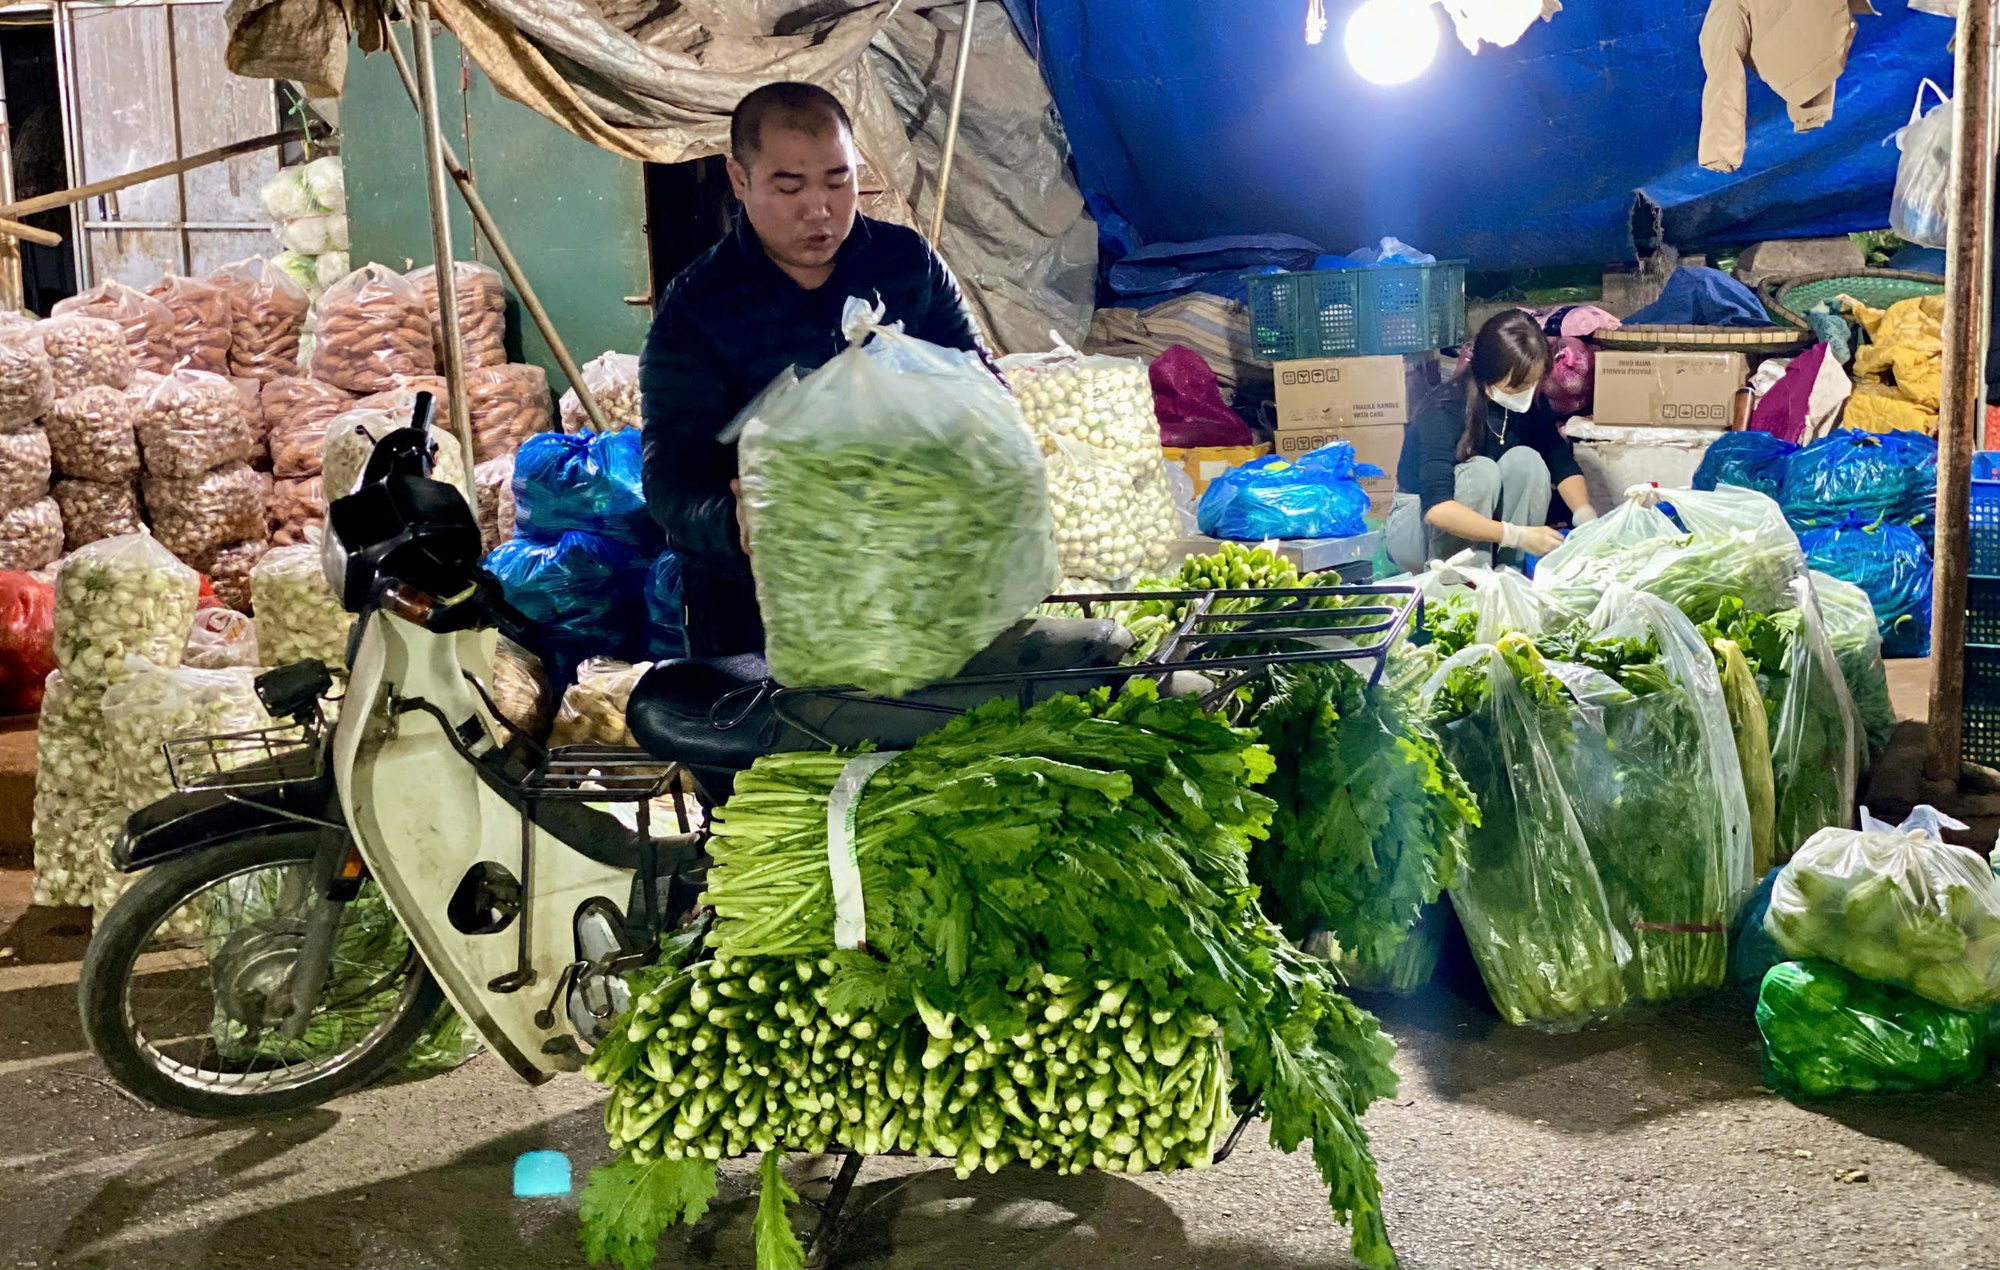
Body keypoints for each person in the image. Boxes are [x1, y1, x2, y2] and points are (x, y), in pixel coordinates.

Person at [640, 82, 988, 657]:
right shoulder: (698, 309)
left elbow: (979, 380)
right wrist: (738, 523)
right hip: (761, 613)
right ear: (739, 179)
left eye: (838, 178)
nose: (820, 208)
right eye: (789, 185)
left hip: (915, 581)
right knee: (798, 740)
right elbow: (669, 480)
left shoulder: (906, 265)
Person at [1386, 309, 1597, 574]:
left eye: (1534, 383)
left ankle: (1510, 575)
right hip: (1417, 530)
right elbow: (1436, 508)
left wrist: (1585, 516)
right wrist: (1517, 535)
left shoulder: (1530, 403)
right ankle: (1459, 582)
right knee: (1479, 472)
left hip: (1490, 530)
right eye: (1517, 385)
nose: (1528, 394)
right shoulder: (1443, 410)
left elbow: (1561, 462)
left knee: (1527, 461)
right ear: (1488, 372)